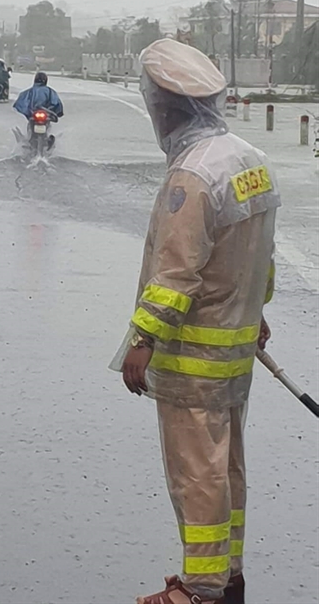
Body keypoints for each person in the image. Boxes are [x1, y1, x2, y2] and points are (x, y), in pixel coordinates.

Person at [110, 39, 279, 604]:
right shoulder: (247, 159)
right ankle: (226, 577)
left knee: (198, 475)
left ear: (168, 108)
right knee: (226, 469)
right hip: (233, 350)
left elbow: (176, 271)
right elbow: (259, 255)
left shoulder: (193, 175)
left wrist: (143, 338)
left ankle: (199, 591)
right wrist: (255, 313)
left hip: (193, 358)